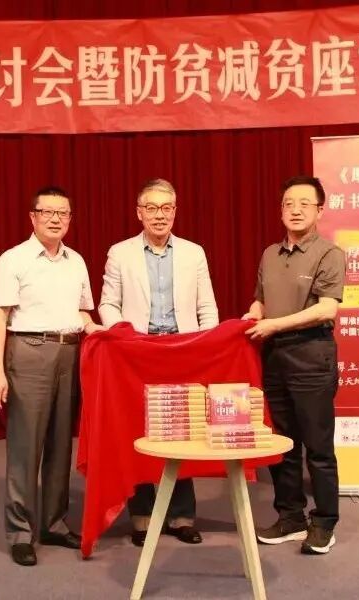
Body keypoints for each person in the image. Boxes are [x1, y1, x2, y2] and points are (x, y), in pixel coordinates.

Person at [0, 186, 104, 566]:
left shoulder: (76, 261)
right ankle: (21, 532)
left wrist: (99, 330)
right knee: (26, 446)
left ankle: (54, 523)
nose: (55, 219)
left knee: (60, 444)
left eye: (63, 213)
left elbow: (82, 312)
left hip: (70, 353)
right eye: (48, 212)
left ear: (70, 218)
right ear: (33, 217)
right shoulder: (13, 260)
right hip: (29, 351)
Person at [98, 178, 218, 547]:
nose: (159, 215)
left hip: (183, 352)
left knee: (182, 432)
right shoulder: (120, 253)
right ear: (139, 213)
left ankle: (181, 517)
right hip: (139, 354)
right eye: (151, 208)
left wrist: (207, 345)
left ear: (175, 212)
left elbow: (207, 307)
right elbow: (108, 303)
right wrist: (123, 337)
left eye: (166, 208)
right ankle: (143, 517)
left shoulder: (194, 253)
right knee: (141, 431)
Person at [243, 175, 345, 555]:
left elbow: (326, 309)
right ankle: (290, 517)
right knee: (282, 444)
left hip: (311, 356)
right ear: (281, 210)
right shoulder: (270, 254)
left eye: (305, 203)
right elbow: (261, 300)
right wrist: (253, 315)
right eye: (289, 203)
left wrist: (274, 325)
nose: (296, 210)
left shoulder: (329, 253)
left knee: (318, 447)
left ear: (320, 210)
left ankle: (324, 523)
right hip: (274, 358)